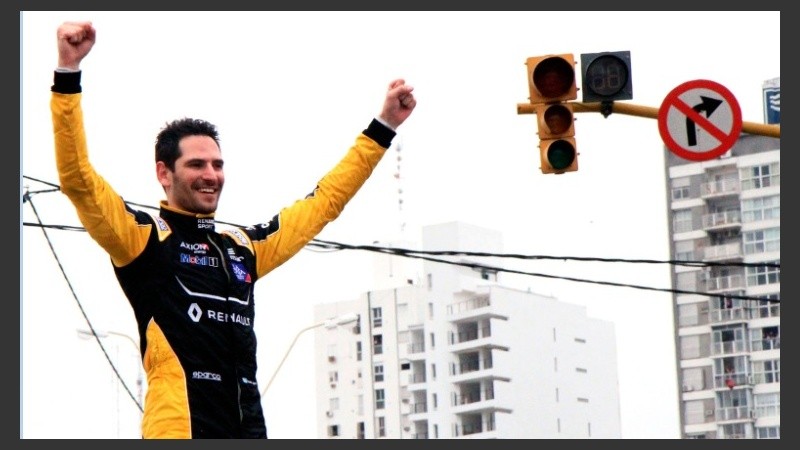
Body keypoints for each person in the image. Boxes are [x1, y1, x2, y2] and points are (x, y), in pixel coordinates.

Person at [51, 20, 416, 439]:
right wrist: (67, 73)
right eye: (196, 165)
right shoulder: (143, 239)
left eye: (217, 164)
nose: (211, 175)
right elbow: (77, 179)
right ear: (164, 173)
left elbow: (323, 203)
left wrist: (383, 127)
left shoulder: (241, 248)